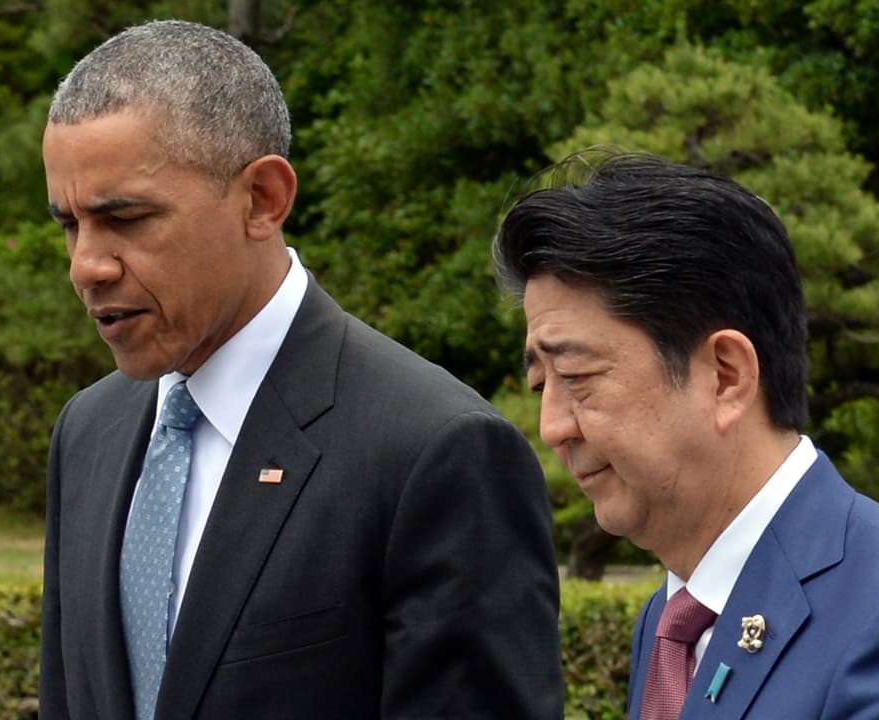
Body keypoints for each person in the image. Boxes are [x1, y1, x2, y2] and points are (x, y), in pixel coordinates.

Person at [40, 19, 564, 720]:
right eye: (69, 225)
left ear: (263, 199)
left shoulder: (434, 450)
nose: (86, 267)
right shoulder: (88, 432)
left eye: (125, 219)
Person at [494, 150, 879, 719]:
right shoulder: (672, 617)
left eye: (577, 377)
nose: (552, 427)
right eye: (539, 385)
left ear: (726, 376)